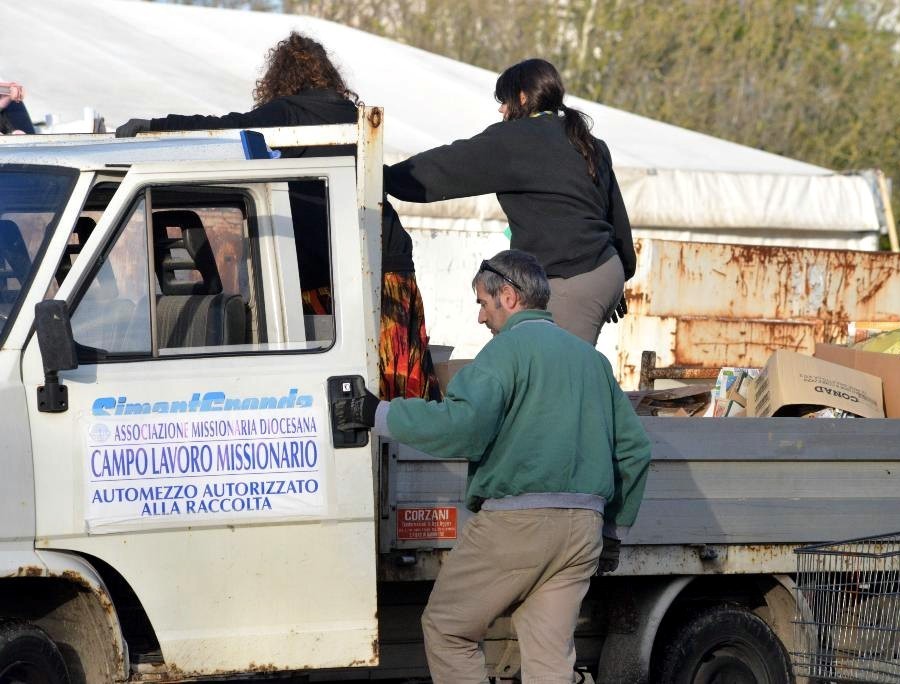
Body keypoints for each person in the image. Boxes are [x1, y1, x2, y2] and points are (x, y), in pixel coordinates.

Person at [338, 249, 651, 683]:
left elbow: (462, 427)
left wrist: (377, 414)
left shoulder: (504, 354)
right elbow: (635, 450)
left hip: (516, 526)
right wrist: (613, 532)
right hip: (583, 531)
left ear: (508, 295)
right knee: (548, 659)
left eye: (483, 304)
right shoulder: (592, 361)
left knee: (449, 630)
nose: (481, 318)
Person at [115, 32, 440, 401]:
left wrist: (156, 126)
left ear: (281, 77)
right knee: (396, 376)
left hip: (329, 272)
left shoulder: (289, 112)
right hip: (389, 262)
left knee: (337, 380)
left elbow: (223, 128)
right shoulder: (354, 117)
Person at [384, 58, 635, 346]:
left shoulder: (515, 139)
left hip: (572, 275)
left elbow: (449, 166)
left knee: (554, 371)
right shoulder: (586, 140)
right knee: (540, 361)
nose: (501, 109)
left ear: (523, 97)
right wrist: (619, 277)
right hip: (605, 269)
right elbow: (616, 217)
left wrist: (386, 178)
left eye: (504, 100)